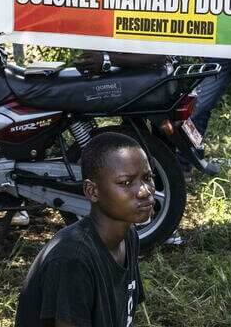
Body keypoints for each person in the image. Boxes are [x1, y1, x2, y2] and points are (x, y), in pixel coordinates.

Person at [15, 132, 150, 327]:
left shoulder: (128, 235)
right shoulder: (73, 259)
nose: (144, 190)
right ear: (92, 191)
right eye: (126, 183)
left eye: (147, 177)